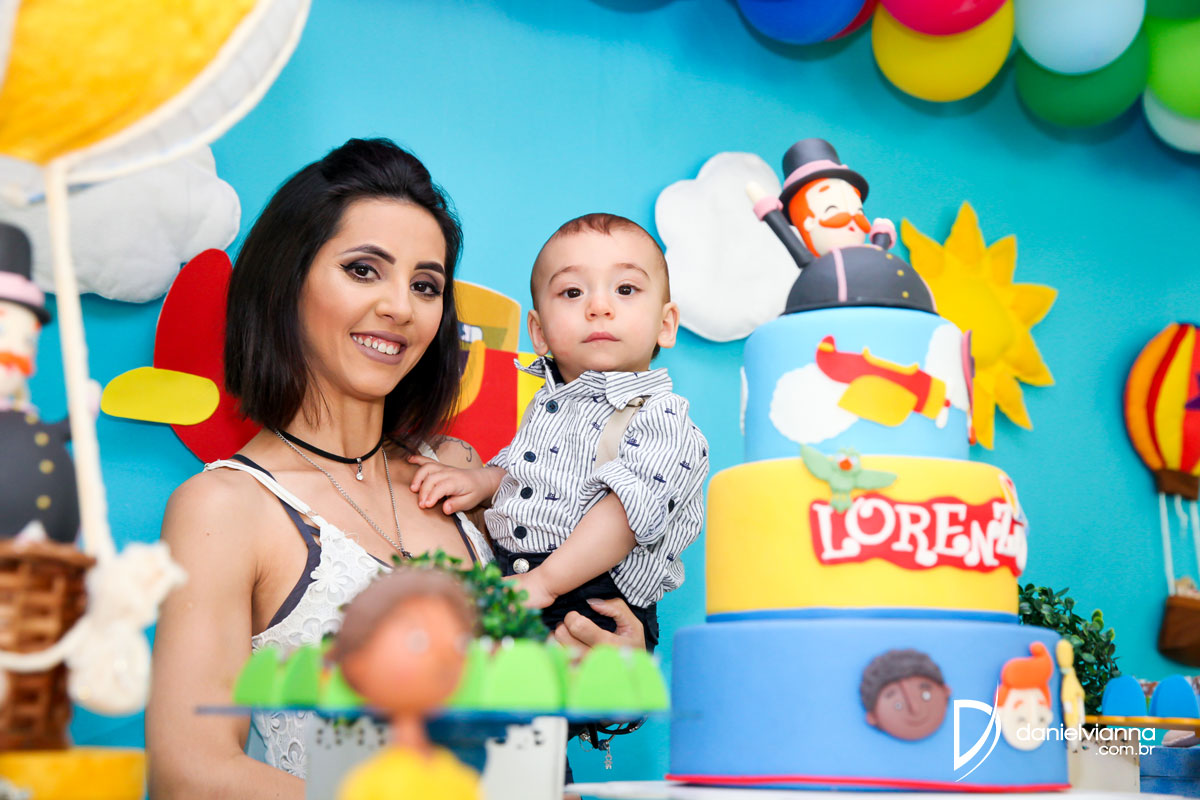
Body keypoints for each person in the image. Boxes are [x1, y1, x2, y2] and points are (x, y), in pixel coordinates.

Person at [145, 140, 646, 799]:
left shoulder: (462, 481)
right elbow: (190, 775)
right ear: (286, 282)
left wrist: (604, 666)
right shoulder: (225, 507)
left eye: (425, 285)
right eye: (363, 270)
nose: (401, 307)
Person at [409, 213, 709, 650]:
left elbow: (624, 515)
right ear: (540, 332)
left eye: (625, 289)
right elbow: (530, 471)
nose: (599, 307)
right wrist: (482, 482)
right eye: (572, 292)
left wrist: (545, 581)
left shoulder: (661, 418)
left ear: (665, 324)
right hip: (523, 577)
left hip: (594, 595)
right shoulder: (549, 405)